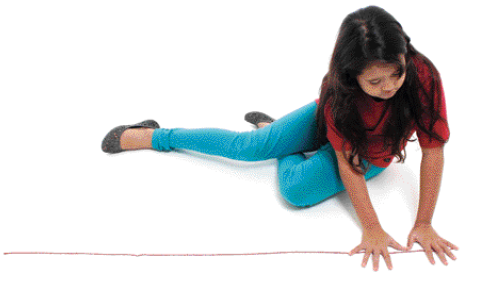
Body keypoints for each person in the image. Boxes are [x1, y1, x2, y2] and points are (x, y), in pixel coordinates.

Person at [101, 5, 458, 271]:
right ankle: (154, 135)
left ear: (404, 54)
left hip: (371, 155)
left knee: (294, 192)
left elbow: (433, 151)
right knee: (249, 147)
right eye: (374, 82)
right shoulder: (338, 91)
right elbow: (344, 164)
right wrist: (373, 227)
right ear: (352, 76)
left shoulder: (423, 76)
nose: (389, 87)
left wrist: (423, 223)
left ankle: (283, 143)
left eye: (395, 74)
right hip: (337, 129)